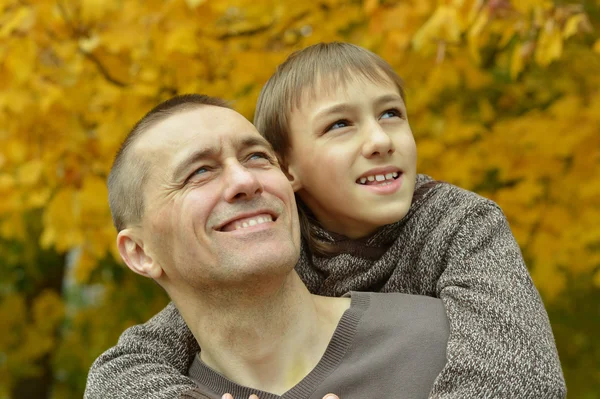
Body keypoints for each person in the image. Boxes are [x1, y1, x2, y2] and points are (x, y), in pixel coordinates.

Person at [85, 42, 566, 398]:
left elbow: (524, 379)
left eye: (255, 157)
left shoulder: (458, 232)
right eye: (200, 171)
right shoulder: (157, 368)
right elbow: (139, 354)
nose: (379, 140)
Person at [94, 93, 450, 399]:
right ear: (140, 252)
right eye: (199, 171)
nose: (245, 180)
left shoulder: (442, 339)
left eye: (257, 157)